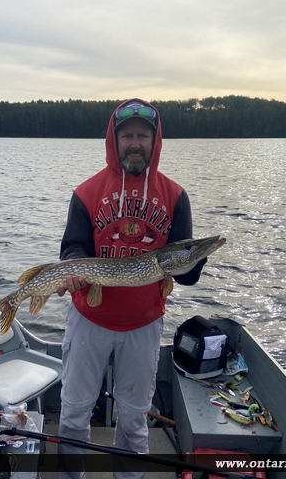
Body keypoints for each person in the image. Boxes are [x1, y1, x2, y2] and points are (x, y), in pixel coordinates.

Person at [55, 98, 206, 479]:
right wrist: (73, 271)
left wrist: (198, 255)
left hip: (143, 325)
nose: (135, 143)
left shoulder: (175, 196)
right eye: (127, 136)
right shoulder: (87, 192)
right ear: (114, 139)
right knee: (73, 412)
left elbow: (185, 273)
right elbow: (73, 248)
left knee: (135, 420)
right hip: (89, 319)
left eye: (143, 135)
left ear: (155, 142)